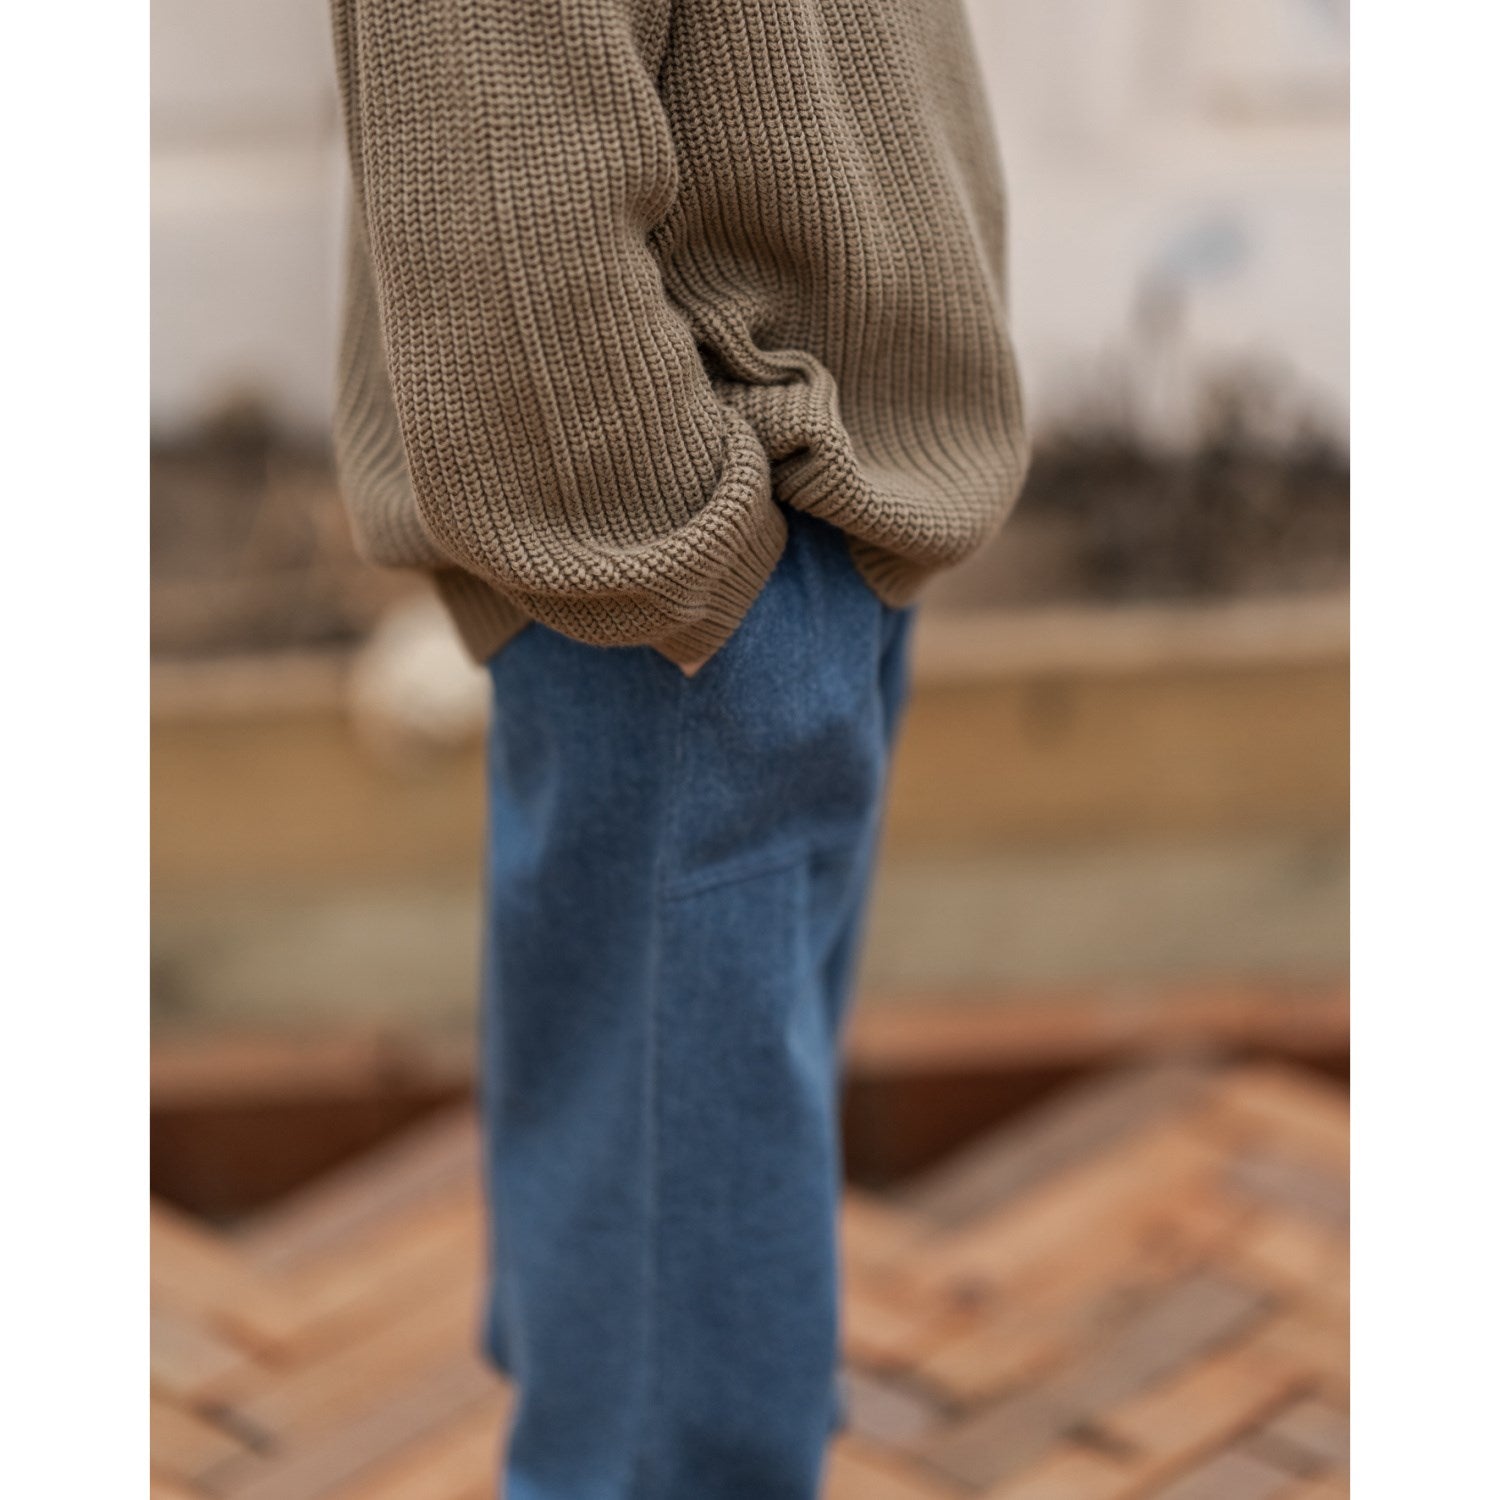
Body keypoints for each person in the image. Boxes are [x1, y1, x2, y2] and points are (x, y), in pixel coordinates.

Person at [327, 1, 1026, 1494]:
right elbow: (498, 162)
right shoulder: (697, 580)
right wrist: (692, 563)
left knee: (672, 1193)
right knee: (667, 1334)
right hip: (701, 561)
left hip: (806, 510)